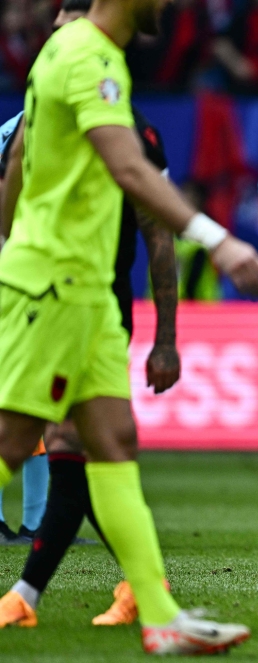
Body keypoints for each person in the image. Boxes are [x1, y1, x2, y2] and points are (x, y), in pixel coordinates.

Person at [0, 0, 258, 654]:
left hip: (88, 292)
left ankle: (158, 616)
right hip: (56, 284)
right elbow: (128, 169)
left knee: (113, 442)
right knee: (12, 441)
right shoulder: (90, 57)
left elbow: (13, 175)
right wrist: (218, 240)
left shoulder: (73, 54)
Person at [0, 0, 184, 623]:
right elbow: (15, 176)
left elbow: (155, 235)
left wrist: (166, 335)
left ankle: (127, 602)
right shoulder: (70, 71)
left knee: (88, 442)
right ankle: (129, 593)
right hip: (49, 292)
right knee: (47, 440)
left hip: (96, 302)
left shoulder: (122, 111)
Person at [0, 111, 49, 546]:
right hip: (17, 279)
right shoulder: (23, 127)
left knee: (36, 402)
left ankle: (36, 526)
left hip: (32, 281)